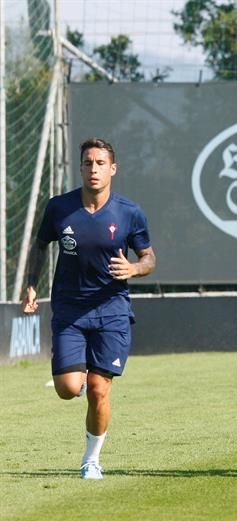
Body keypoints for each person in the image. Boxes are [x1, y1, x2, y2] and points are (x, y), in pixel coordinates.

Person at [22, 138, 156, 480]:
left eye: (100, 163)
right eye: (87, 163)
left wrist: (135, 269)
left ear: (113, 169)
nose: (93, 169)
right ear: (80, 167)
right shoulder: (59, 208)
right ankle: (77, 374)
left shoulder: (129, 211)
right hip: (70, 310)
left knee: (98, 389)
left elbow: (149, 257)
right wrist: (31, 283)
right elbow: (39, 247)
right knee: (68, 389)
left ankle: (91, 460)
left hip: (112, 310)